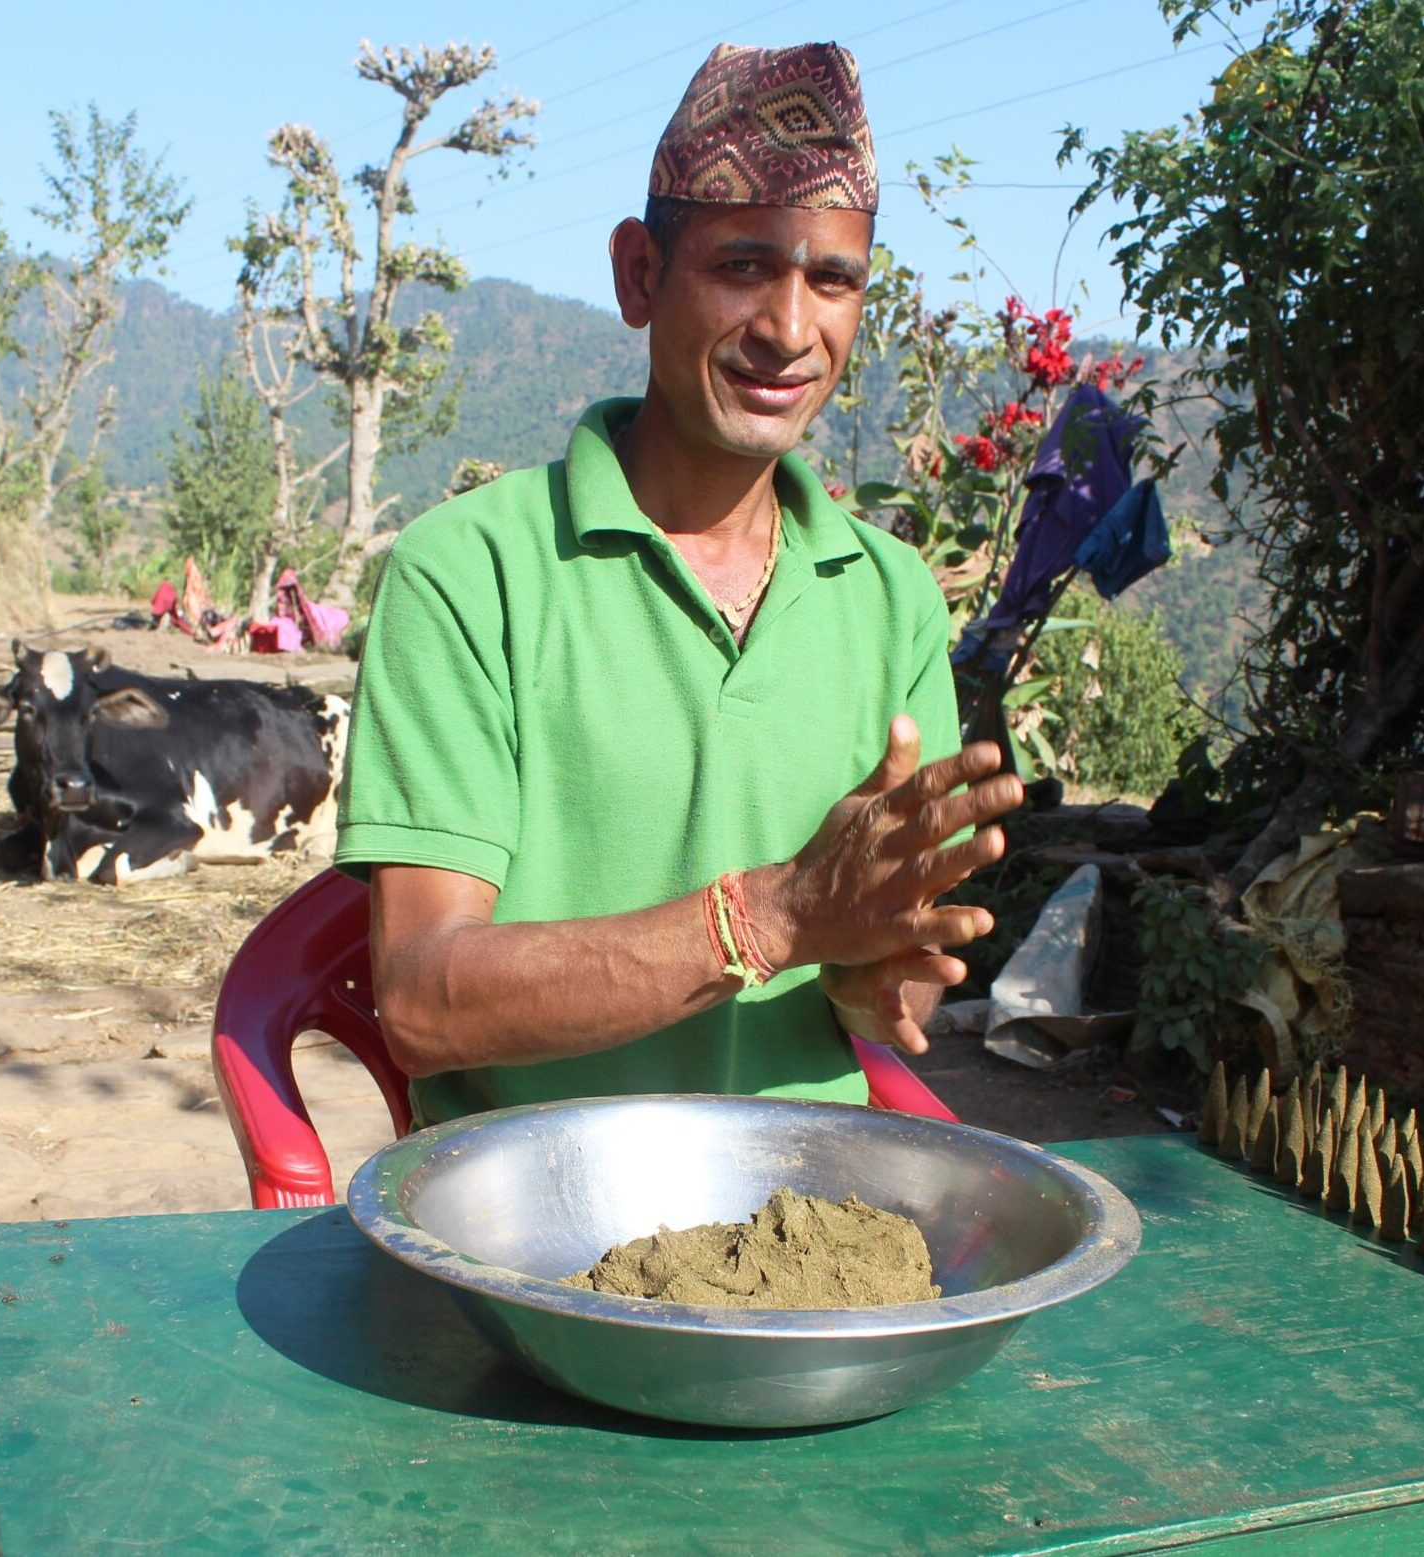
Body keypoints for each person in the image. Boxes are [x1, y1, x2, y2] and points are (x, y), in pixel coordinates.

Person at [334, 42, 1022, 1127]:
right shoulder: (470, 573)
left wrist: (878, 963)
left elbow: (876, 991)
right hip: (526, 1224)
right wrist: (770, 917)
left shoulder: (891, 598)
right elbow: (421, 1000)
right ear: (638, 276)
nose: (791, 331)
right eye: (743, 266)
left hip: (808, 1218)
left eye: (831, 279)